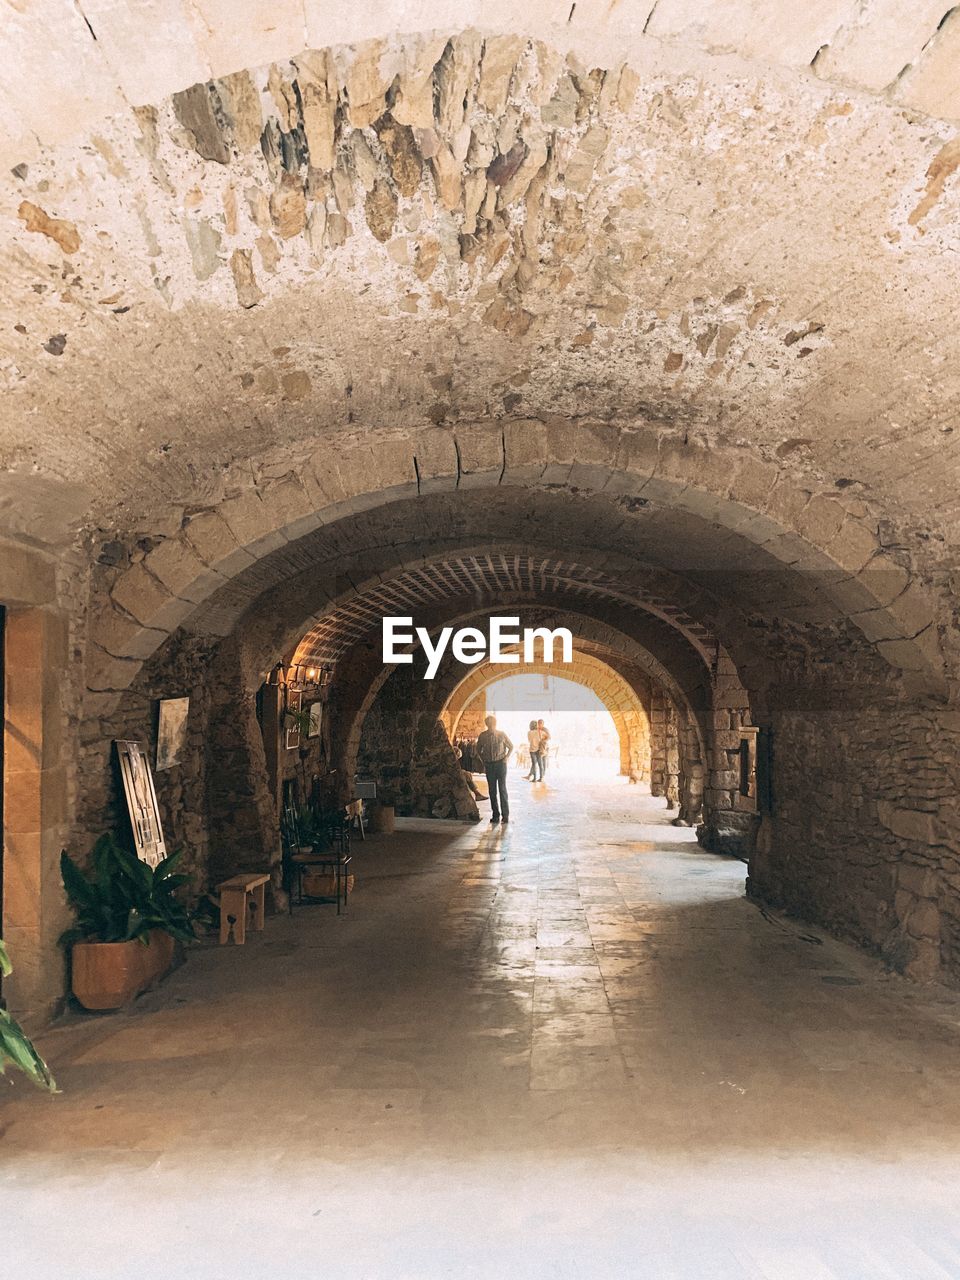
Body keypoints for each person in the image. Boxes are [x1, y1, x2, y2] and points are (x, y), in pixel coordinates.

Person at [475, 714, 513, 823]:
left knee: (502, 789)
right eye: (489, 724)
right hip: (490, 765)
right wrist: (483, 760)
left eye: (492, 723)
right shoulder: (483, 736)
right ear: (486, 724)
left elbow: (511, 746)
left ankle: (505, 816)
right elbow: (478, 749)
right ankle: (495, 815)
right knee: (492, 791)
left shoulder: (501, 734)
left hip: (501, 764)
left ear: (495, 724)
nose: (490, 725)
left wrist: (506, 757)